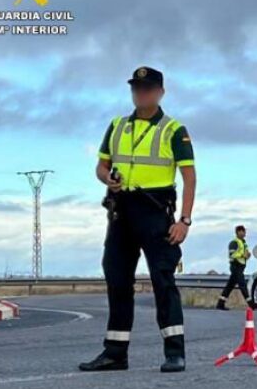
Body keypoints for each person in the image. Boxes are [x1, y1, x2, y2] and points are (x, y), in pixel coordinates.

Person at [79, 66, 196, 373]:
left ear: (160, 92)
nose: (141, 93)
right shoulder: (117, 125)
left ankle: (175, 353)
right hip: (121, 212)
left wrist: (184, 221)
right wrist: (109, 179)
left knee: (162, 279)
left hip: (155, 211)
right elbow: (101, 168)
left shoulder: (174, 130)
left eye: (147, 88)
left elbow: (189, 176)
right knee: (116, 278)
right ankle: (115, 353)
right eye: (136, 88)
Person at [216, 225, 253, 310]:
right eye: (243, 231)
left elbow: (245, 254)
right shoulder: (234, 242)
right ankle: (251, 304)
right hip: (235, 266)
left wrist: (247, 255)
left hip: (240, 267)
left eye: (245, 231)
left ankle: (220, 303)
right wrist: (242, 255)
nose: (244, 233)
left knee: (229, 286)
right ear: (238, 232)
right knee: (242, 284)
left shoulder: (244, 243)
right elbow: (232, 254)